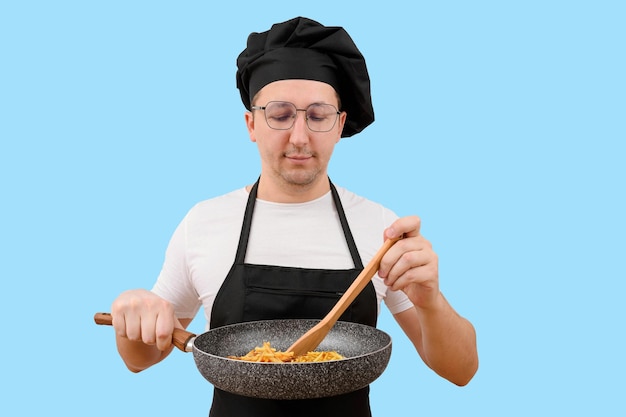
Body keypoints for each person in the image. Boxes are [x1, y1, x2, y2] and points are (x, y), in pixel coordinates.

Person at [108, 16, 478, 417]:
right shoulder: (204, 222)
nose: (299, 137)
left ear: (339, 125)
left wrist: (430, 301)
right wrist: (136, 312)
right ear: (251, 124)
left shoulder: (381, 228)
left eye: (317, 116)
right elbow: (140, 358)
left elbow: (461, 371)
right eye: (280, 114)